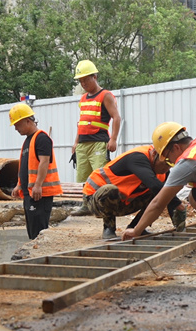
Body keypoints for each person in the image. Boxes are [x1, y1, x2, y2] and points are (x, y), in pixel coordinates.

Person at [79, 144, 187, 239]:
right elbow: (155, 186)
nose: (166, 168)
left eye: (169, 165)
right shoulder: (137, 157)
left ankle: (136, 227)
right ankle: (109, 228)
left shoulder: (163, 172)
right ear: (154, 154)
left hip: (122, 202)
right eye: (164, 164)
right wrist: (178, 204)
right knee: (109, 190)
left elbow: (166, 196)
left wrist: (179, 225)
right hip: (94, 198)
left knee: (160, 196)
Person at [71, 59, 121, 215]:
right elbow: (82, 123)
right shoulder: (83, 99)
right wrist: (75, 143)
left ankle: (103, 206)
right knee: (83, 177)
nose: (83, 83)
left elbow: (117, 117)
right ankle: (86, 205)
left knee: (100, 176)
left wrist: (113, 139)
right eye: (81, 80)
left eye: (86, 79)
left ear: (95, 77)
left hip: (99, 142)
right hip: (83, 144)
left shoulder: (105, 95)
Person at [9, 103, 63, 240]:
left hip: (40, 194)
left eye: (17, 124)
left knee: (39, 230)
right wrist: (19, 185)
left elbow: (44, 162)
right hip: (30, 193)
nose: (15, 128)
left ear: (28, 121)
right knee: (32, 229)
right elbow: (26, 167)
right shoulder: (28, 140)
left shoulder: (42, 139)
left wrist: (38, 185)